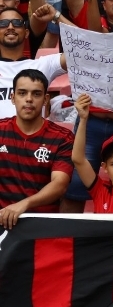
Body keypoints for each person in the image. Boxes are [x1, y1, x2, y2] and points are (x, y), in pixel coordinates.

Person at [0, 70, 74, 229]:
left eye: (36, 94)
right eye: (22, 93)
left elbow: (60, 184)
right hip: (2, 220)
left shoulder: (62, 137)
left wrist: (24, 204)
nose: (28, 99)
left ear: (46, 99)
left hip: (42, 226)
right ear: (12, 98)